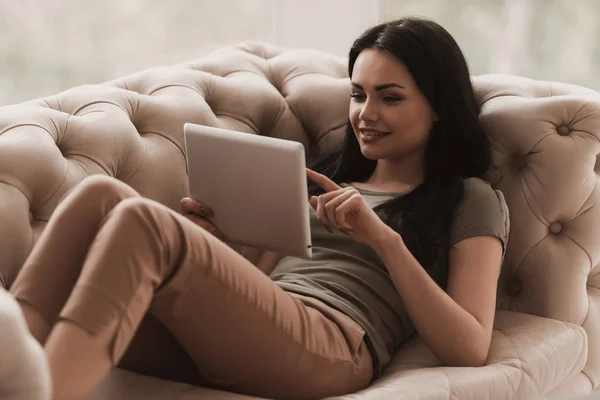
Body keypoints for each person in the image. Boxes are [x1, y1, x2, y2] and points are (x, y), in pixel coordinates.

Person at [9, 16, 509, 400]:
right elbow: (259, 281)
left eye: (390, 98)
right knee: (102, 196)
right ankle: (12, 370)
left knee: (141, 220)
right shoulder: (323, 175)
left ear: (439, 106)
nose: (366, 114)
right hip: (255, 334)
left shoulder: (468, 197)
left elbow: (469, 346)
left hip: (330, 342)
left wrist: (382, 238)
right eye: (357, 94)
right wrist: (207, 242)